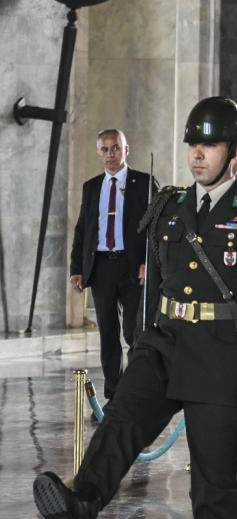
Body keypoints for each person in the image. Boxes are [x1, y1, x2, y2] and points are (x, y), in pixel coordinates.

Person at [35, 96, 237, 519]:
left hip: (223, 356)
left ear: (236, 153)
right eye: (193, 145)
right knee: (123, 414)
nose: (197, 155)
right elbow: (154, 285)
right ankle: (83, 506)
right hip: (167, 341)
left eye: (210, 145)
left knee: (213, 485)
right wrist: (145, 340)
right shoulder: (171, 206)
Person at [70, 128, 157, 400]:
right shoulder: (92, 186)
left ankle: (134, 390)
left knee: (133, 331)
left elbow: (156, 227)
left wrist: (148, 263)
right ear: (99, 153)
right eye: (105, 149)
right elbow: (83, 229)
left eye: (116, 148)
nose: (111, 154)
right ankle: (114, 393)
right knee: (108, 334)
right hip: (101, 267)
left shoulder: (144, 182)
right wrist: (77, 268)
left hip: (132, 267)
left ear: (126, 149)